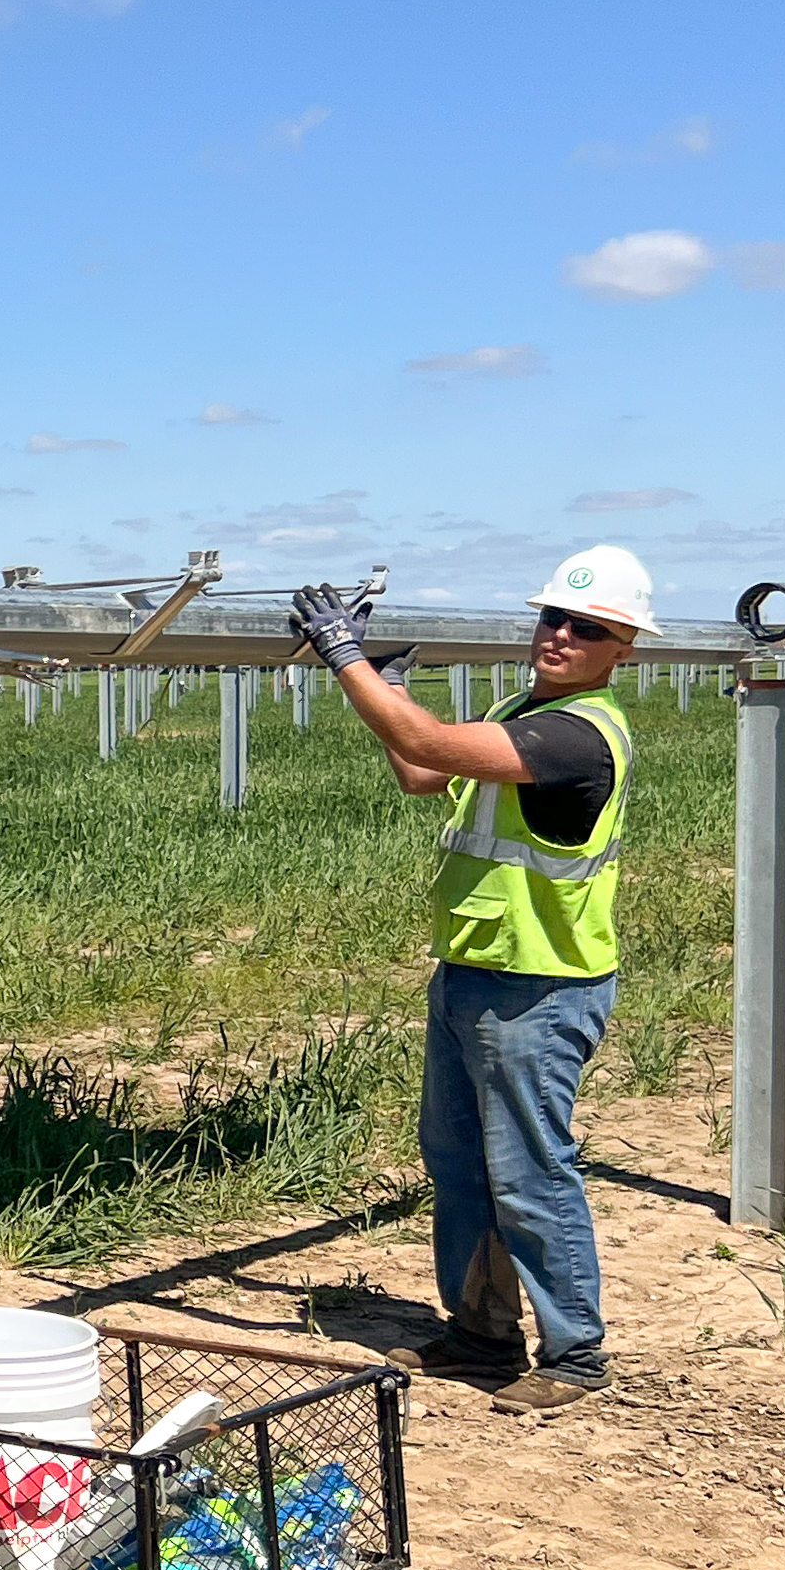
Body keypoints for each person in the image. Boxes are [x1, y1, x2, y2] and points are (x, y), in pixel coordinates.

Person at [294, 545, 652, 1412]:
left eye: (587, 627)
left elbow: (422, 743)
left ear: (623, 648)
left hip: (539, 985)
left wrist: (347, 658)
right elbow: (422, 770)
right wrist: (389, 685)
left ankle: (575, 1354)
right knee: (459, 1165)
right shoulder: (525, 707)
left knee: (531, 1171)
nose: (560, 634)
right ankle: (481, 1335)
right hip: (476, 968)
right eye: (553, 618)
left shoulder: (576, 735)